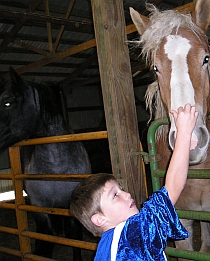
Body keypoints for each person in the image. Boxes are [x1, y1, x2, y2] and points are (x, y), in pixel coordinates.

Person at [70, 104, 198, 261]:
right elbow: (171, 191)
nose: (127, 194)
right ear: (99, 219)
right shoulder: (130, 237)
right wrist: (184, 133)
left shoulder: (106, 249)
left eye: (121, 189)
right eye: (115, 195)